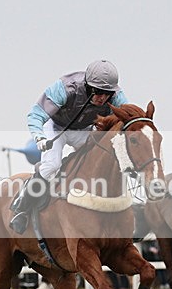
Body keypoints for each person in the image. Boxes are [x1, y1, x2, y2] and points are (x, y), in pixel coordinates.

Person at [9, 59, 128, 234]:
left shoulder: (116, 96)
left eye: (106, 93)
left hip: (84, 131)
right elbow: (36, 114)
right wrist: (39, 137)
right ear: (88, 86)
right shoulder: (66, 88)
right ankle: (22, 208)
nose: (102, 98)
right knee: (52, 166)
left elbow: (127, 116)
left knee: (103, 158)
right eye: (98, 92)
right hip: (57, 128)